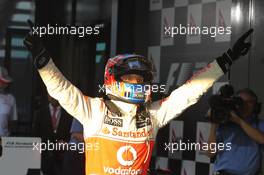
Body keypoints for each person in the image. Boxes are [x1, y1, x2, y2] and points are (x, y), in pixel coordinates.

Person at [24, 20, 253, 175]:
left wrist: (226, 60)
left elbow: (190, 91)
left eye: (142, 79)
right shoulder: (94, 110)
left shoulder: (153, 113)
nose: (138, 84)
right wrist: (43, 59)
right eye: (132, 79)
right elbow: (62, 90)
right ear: (112, 79)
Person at [207, 88, 264, 175]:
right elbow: (210, 153)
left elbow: (261, 139)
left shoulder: (259, 124)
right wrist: (214, 124)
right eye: (241, 102)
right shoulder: (224, 125)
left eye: (249, 102)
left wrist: (239, 121)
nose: (245, 105)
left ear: (256, 105)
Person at [32, 94, 72, 175]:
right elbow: (35, 136)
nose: (53, 97)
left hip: (62, 157)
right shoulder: (40, 113)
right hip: (44, 157)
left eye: (55, 94)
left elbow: (71, 135)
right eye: (50, 95)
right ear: (47, 96)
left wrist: (66, 144)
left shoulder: (68, 114)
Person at [0, 66, 17, 136]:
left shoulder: (11, 98)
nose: (6, 84)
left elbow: (12, 121)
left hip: (4, 140)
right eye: (3, 82)